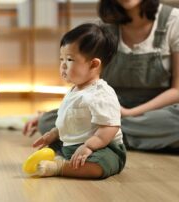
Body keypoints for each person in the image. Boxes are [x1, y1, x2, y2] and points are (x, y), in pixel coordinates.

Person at [23, 0, 179, 151]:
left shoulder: (173, 20)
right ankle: (113, 135)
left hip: (158, 110)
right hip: (106, 107)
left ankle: (102, 134)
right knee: (46, 121)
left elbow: (177, 90)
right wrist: (66, 111)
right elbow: (86, 79)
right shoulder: (102, 29)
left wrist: (128, 113)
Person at [29, 23, 126, 179]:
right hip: (72, 145)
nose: (63, 65)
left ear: (94, 64)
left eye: (69, 59)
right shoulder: (75, 90)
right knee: (51, 147)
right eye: (61, 59)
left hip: (103, 148)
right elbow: (68, 121)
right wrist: (53, 133)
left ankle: (60, 167)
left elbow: (109, 128)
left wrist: (89, 146)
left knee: (98, 166)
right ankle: (62, 159)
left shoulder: (101, 94)